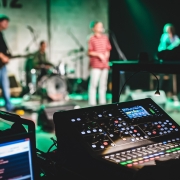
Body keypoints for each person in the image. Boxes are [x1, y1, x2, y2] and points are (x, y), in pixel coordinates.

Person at [87, 20, 112, 106]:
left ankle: (102, 102)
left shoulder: (105, 37)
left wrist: (106, 56)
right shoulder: (91, 38)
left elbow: (108, 49)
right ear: (94, 28)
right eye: (99, 26)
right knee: (94, 84)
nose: (101, 28)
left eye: (102, 26)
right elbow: (89, 52)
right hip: (96, 65)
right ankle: (92, 103)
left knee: (103, 84)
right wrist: (98, 55)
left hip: (105, 65)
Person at [157, 23, 180, 96]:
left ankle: (170, 92)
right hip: (163, 60)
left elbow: (177, 44)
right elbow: (160, 49)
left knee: (172, 73)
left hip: (171, 60)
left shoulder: (175, 37)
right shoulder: (164, 37)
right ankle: (159, 90)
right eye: (167, 30)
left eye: (170, 30)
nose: (169, 31)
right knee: (161, 73)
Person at [0, 14, 14, 112]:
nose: (7, 24)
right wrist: (3, 56)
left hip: (2, 65)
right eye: (5, 22)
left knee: (6, 86)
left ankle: (9, 107)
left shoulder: (1, 34)